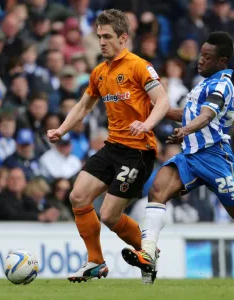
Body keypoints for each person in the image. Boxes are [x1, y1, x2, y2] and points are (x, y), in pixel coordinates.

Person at [121, 31, 234, 284]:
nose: (200, 60)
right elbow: (189, 114)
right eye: (200, 54)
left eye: (206, 56)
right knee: (157, 190)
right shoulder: (202, 83)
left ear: (222, 61)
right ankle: (148, 255)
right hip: (191, 156)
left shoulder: (222, 84)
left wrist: (185, 131)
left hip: (215, 158)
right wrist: (153, 111)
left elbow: (205, 116)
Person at [47, 9, 169, 283]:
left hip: (138, 150)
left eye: (107, 37)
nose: (101, 42)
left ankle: (148, 253)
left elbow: (162, 101)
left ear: (123, 38)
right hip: (113, 146)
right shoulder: (99, 72)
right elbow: (83, 106)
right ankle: (95, 261)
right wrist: (61, 129)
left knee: (109, 215)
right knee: (78, 197)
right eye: (98, 36)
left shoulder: (140, 66)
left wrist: (147, 124)